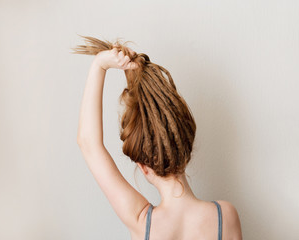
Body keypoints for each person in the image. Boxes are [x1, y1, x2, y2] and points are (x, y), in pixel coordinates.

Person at [74, 36, 242, 240]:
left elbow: (88, 143)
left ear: (143, 167)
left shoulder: (142, 221)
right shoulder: (225, 216)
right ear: (185, 144)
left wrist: (99, 65)